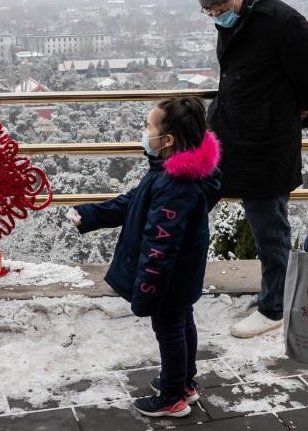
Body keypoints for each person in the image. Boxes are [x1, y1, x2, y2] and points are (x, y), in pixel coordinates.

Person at [196, 0, 308, 338]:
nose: (215, 17)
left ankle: (273, 308)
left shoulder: (283, 22)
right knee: (191, 202)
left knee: (269, 227)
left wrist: (292, 113)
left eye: (218, 9)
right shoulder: (238, 18)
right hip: (233, 137)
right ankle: (272, 292)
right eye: (209, 12)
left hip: (268, 143)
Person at [67, 97, 222, 418]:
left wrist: (147, 291)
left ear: (167, 140)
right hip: (182, 275)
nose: (144, 133)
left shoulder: (175, 184)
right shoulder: (172, 172)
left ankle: (172, 397)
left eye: (148, 127)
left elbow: (160, 246)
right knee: (181, 322)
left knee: (169, 329)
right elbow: (133, 202)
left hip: (167, 278)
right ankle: (183, 382)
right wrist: (90, 215)